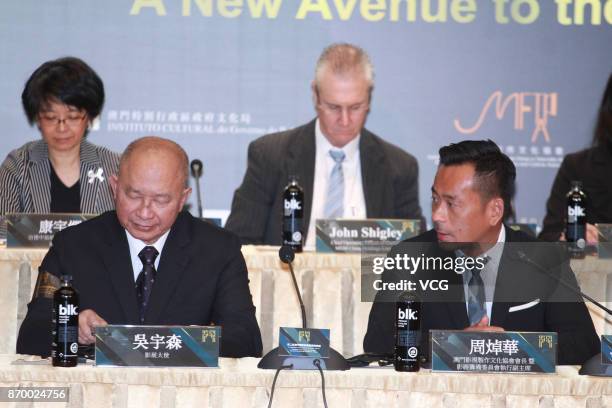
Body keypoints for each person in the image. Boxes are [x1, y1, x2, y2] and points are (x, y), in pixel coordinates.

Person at [17, 137, 262, 358]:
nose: (144, 212)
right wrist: (70, 326)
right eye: (133, 196)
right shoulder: (72, 245)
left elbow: (246, 338)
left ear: (182, 199)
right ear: (114, 187)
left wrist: (195, 341)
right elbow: (31, 335)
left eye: (161, 200)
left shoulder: (218, 249)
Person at [364, 140, 600, 365]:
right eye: (435, 199)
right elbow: (378, 342)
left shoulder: (543, 259)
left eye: (451, 203)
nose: (437, 214)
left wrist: (508, 347)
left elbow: (583, 345)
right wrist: (456, 345)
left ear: (495, 211)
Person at [225, 43, 423, 247]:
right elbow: (240, 243)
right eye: (334, 107)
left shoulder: (399, 168)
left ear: (369, 99)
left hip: (370, 279)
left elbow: (415, 255)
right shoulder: (270, 156)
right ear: (315, 95)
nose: (345, 120)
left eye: (355, 107)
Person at [0, 57, 119, 215]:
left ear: (89, 117)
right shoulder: (18, 166)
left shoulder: (113, 166)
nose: (62, 128)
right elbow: (3, 231)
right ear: (37, 118)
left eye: (73, 117)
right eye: (50, 117)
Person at [539, 72, 612, 242]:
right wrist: (572, 237)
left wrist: (603, 238)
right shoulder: (577, 167)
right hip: (590, 268)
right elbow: (548, 237)